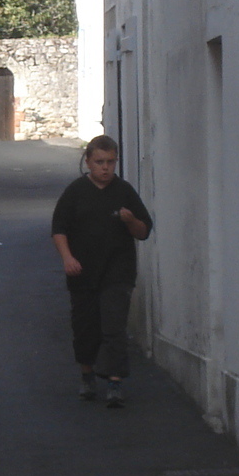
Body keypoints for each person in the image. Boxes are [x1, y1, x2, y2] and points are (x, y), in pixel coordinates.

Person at [51, 136, 152, 408]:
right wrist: (67, 258)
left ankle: (115, 382)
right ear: (88, 162)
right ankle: (87, 376)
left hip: (117, 271)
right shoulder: (75, 192)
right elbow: (59, 229)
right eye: (99, 162)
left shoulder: (124, 192)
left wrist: (131, 221)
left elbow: (143, 232)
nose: (105, 168)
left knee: (114, 326)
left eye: (110, 162)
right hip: (82, 271)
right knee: (85, 327)